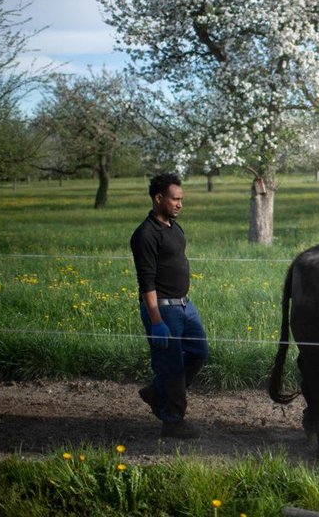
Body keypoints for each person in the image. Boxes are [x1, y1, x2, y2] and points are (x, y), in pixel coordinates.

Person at [130, 173, 208, 439]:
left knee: (199, 352)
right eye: (175, 199)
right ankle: (173, 422)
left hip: (185, 306)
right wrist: (156, 320)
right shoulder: (144, 235)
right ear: (158, 198)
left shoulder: (174, 227)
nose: (179, 204)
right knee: (171, 366)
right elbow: (146, 281)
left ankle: (156, 392)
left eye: (182, 199)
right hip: (163, 310)